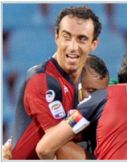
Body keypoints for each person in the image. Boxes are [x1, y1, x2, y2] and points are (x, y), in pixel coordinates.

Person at [10, 6, 101, 159]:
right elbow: (55, 145)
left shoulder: (88, 81)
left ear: (93, 44)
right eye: (67, 37)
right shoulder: (41, 79)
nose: (73, 47)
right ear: (56, 37)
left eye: (82, 39)